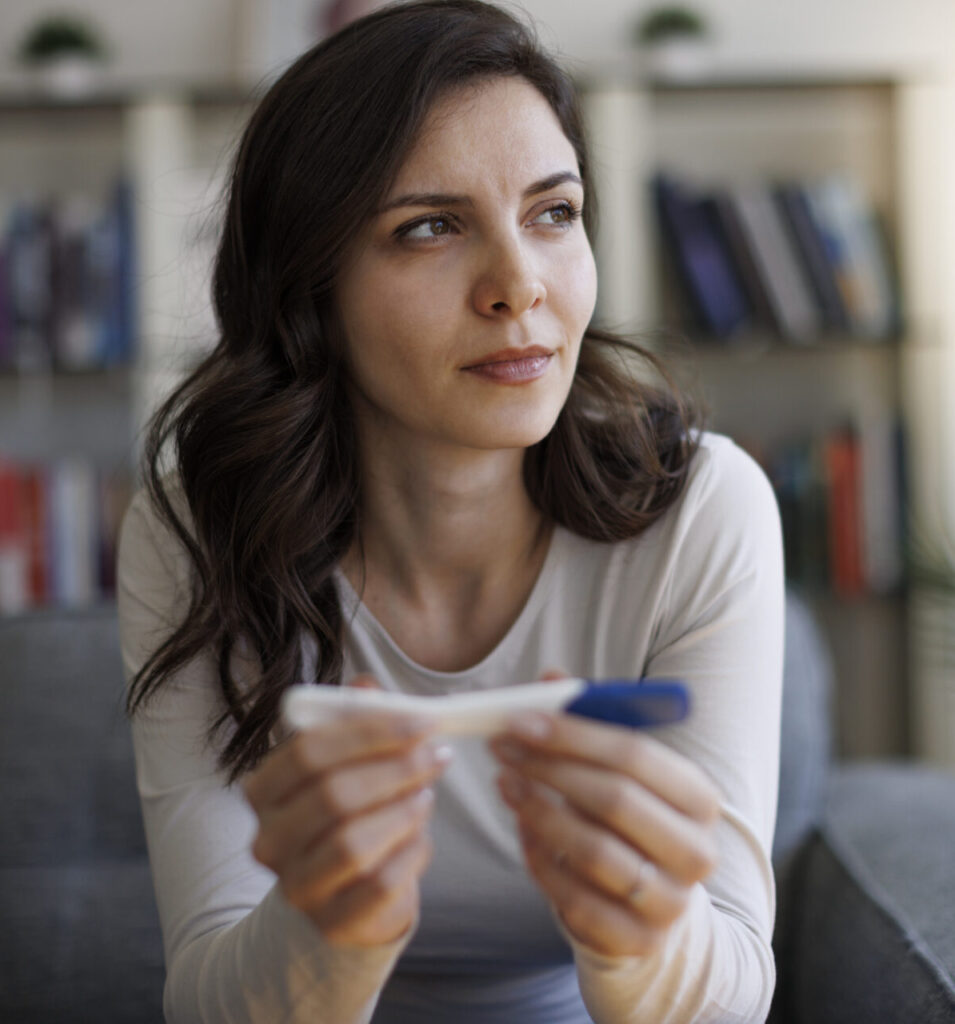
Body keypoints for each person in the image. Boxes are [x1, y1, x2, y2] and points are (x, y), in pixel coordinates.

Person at [117, 1, 784, 1021]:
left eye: (553, 213)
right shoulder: (195, 533)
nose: (520, 286)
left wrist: (637, 935)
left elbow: (734, 984)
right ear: (309, 284)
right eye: (429, 227)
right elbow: (205, 993)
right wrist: (329, 929)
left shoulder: (702, 510)